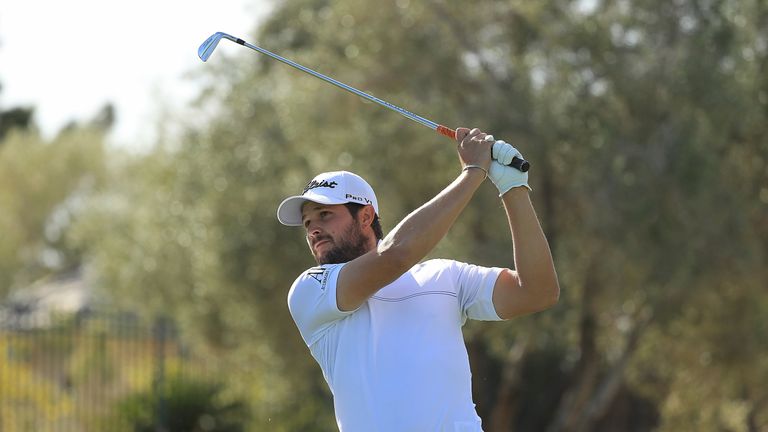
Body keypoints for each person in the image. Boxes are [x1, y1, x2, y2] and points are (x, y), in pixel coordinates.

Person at [277, 127, 559, 431]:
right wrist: (474, 172)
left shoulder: (445, 276)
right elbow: (396, 255)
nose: (313, 229)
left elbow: (536, 292)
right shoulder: (311, 290)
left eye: (324, 215)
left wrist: (513, 187)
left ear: (366, 217)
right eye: (307, 222)